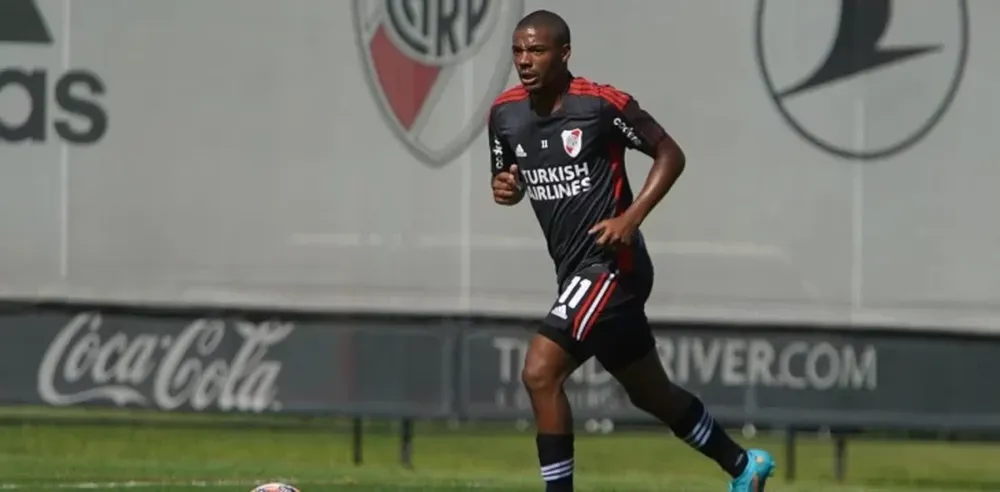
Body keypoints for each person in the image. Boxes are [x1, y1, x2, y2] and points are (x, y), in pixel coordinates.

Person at [486, 9, 775, 492]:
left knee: (539, 372)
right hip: (575, 273)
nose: (524, 60)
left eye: (536, 50)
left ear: (564, 53)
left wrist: (631, 217)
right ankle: (744, 465)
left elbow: (670, 153)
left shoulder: (600, 106)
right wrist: (506, 188)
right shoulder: (505, 114)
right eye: (518, 50)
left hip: (612, 267)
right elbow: (507, 181)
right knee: (650, 392)